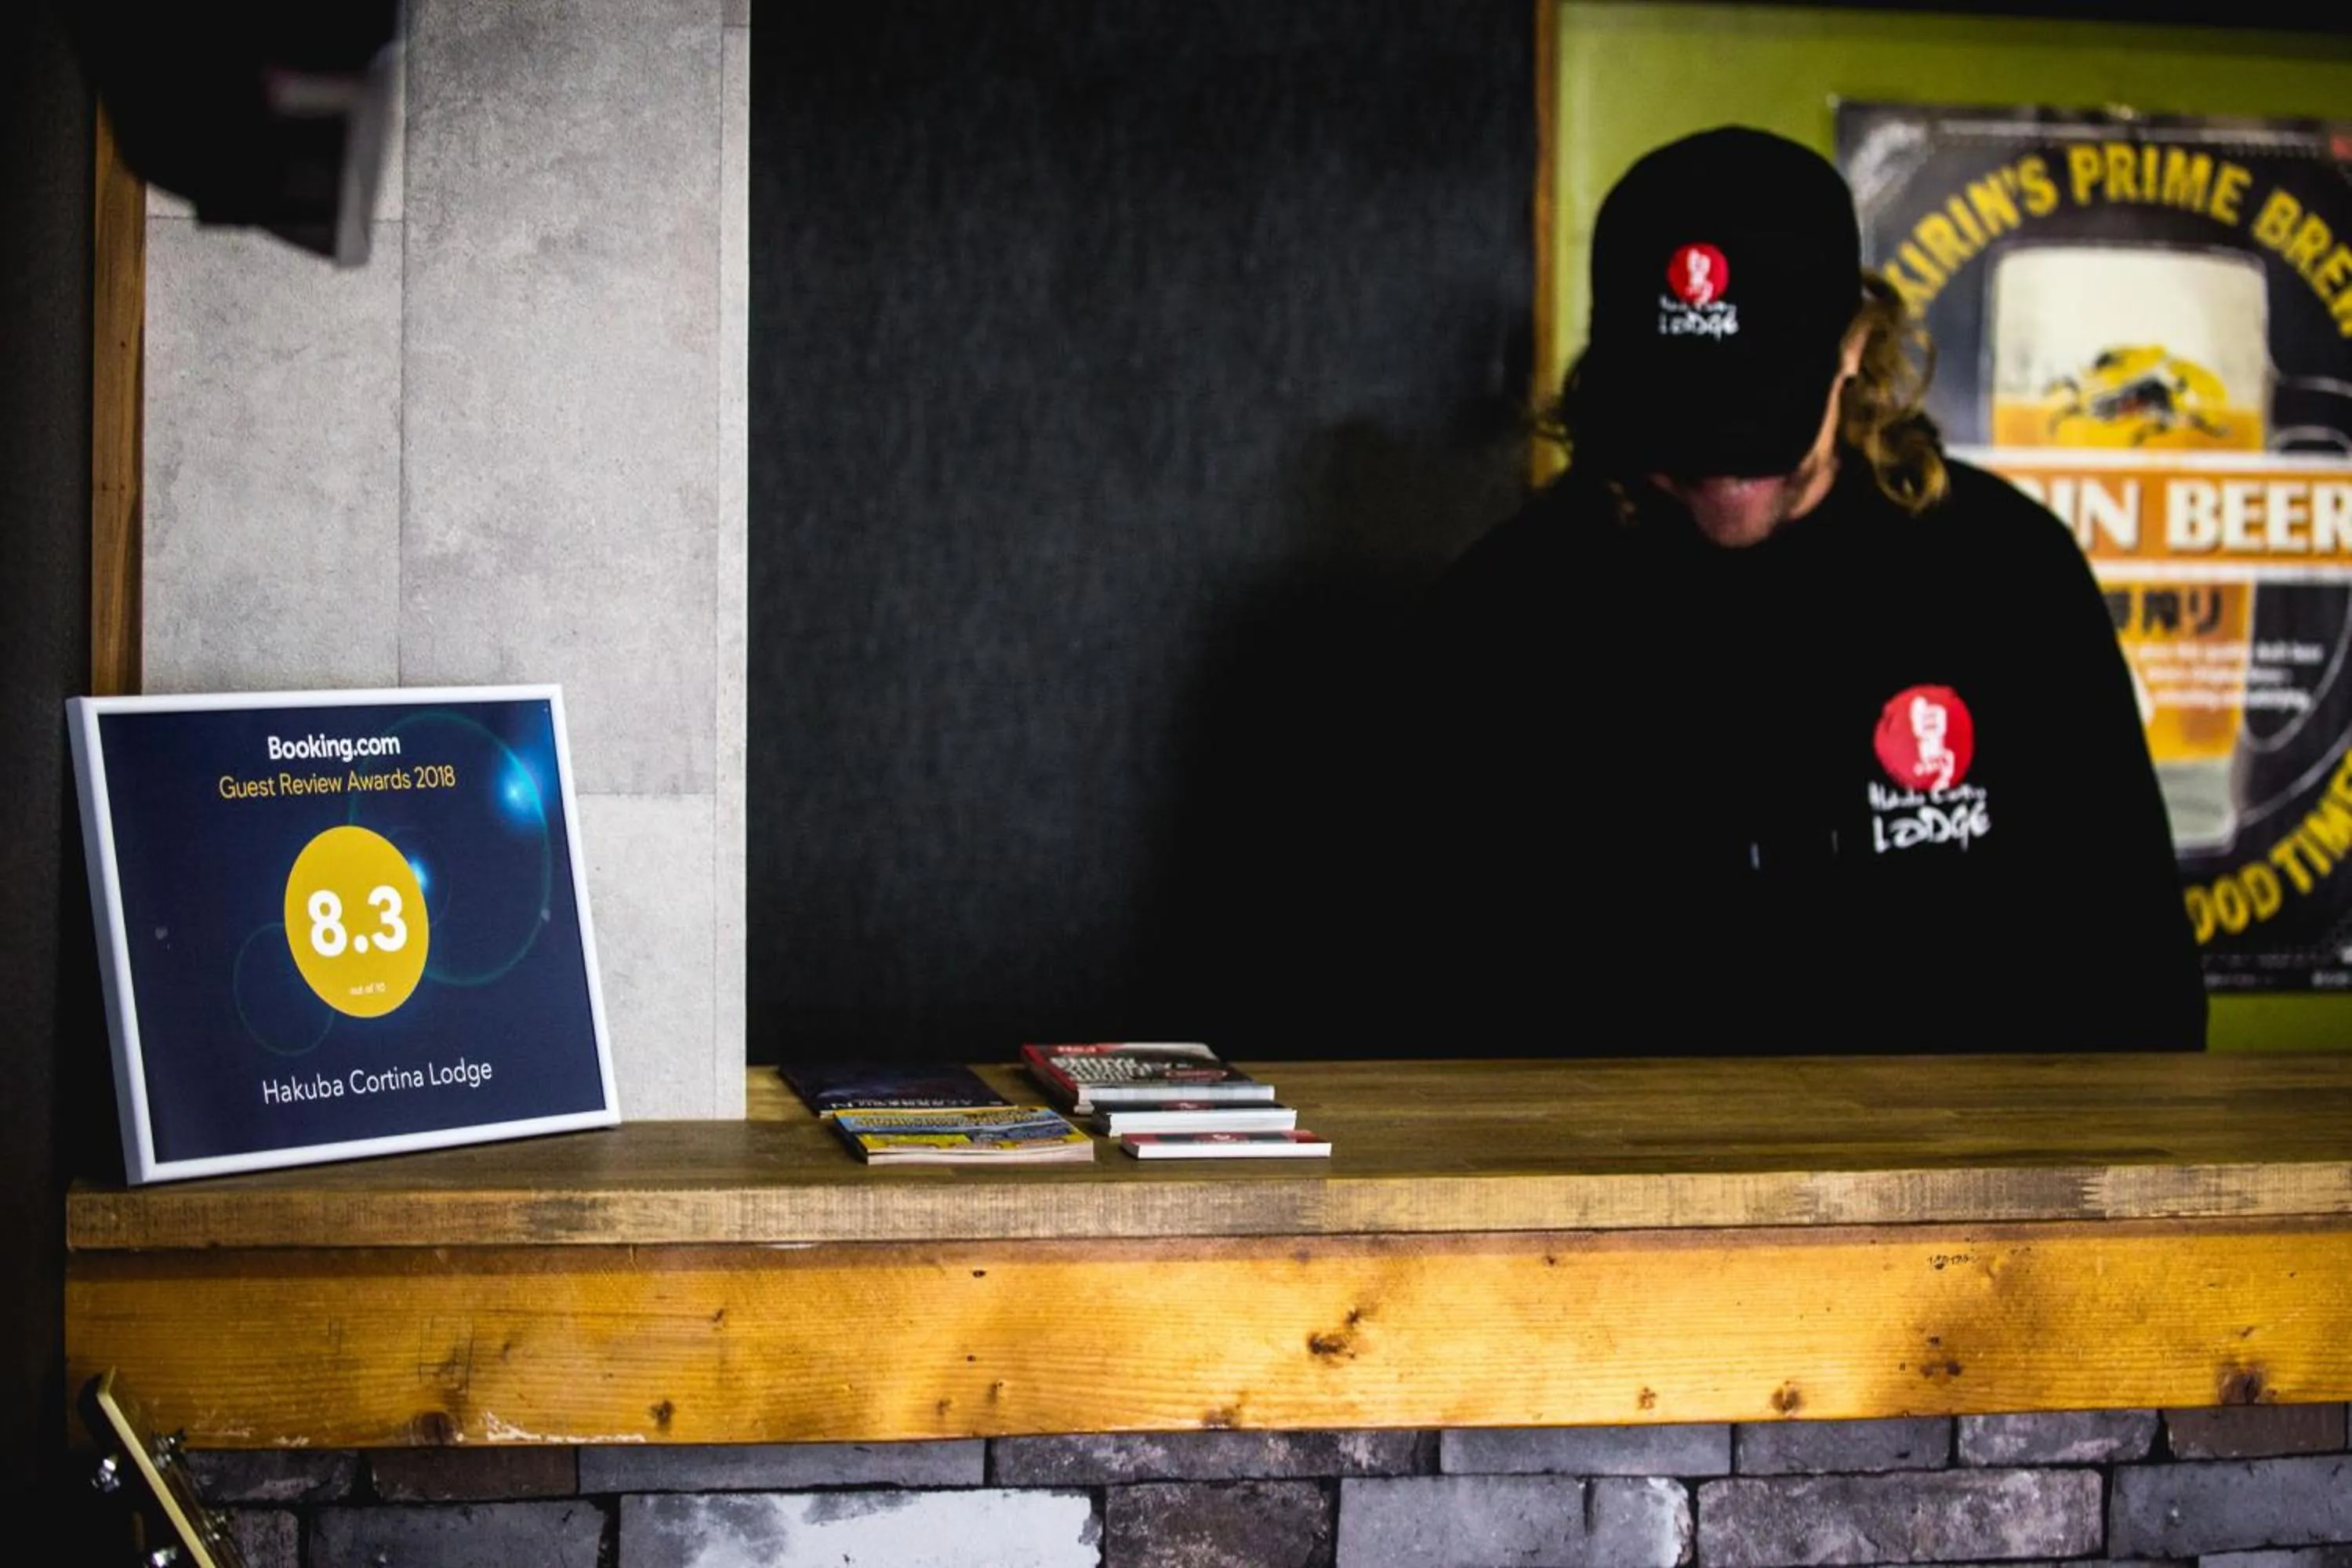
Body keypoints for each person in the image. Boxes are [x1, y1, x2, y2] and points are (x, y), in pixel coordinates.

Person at [1379, 125, 2207, 1054]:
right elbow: (1417, 1015)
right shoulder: (1499, 619)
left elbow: (2143, 990)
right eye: (1682, 416)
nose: (1723, 465)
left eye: (1759, 414)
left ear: (1854, 347)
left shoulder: (2007, 581)